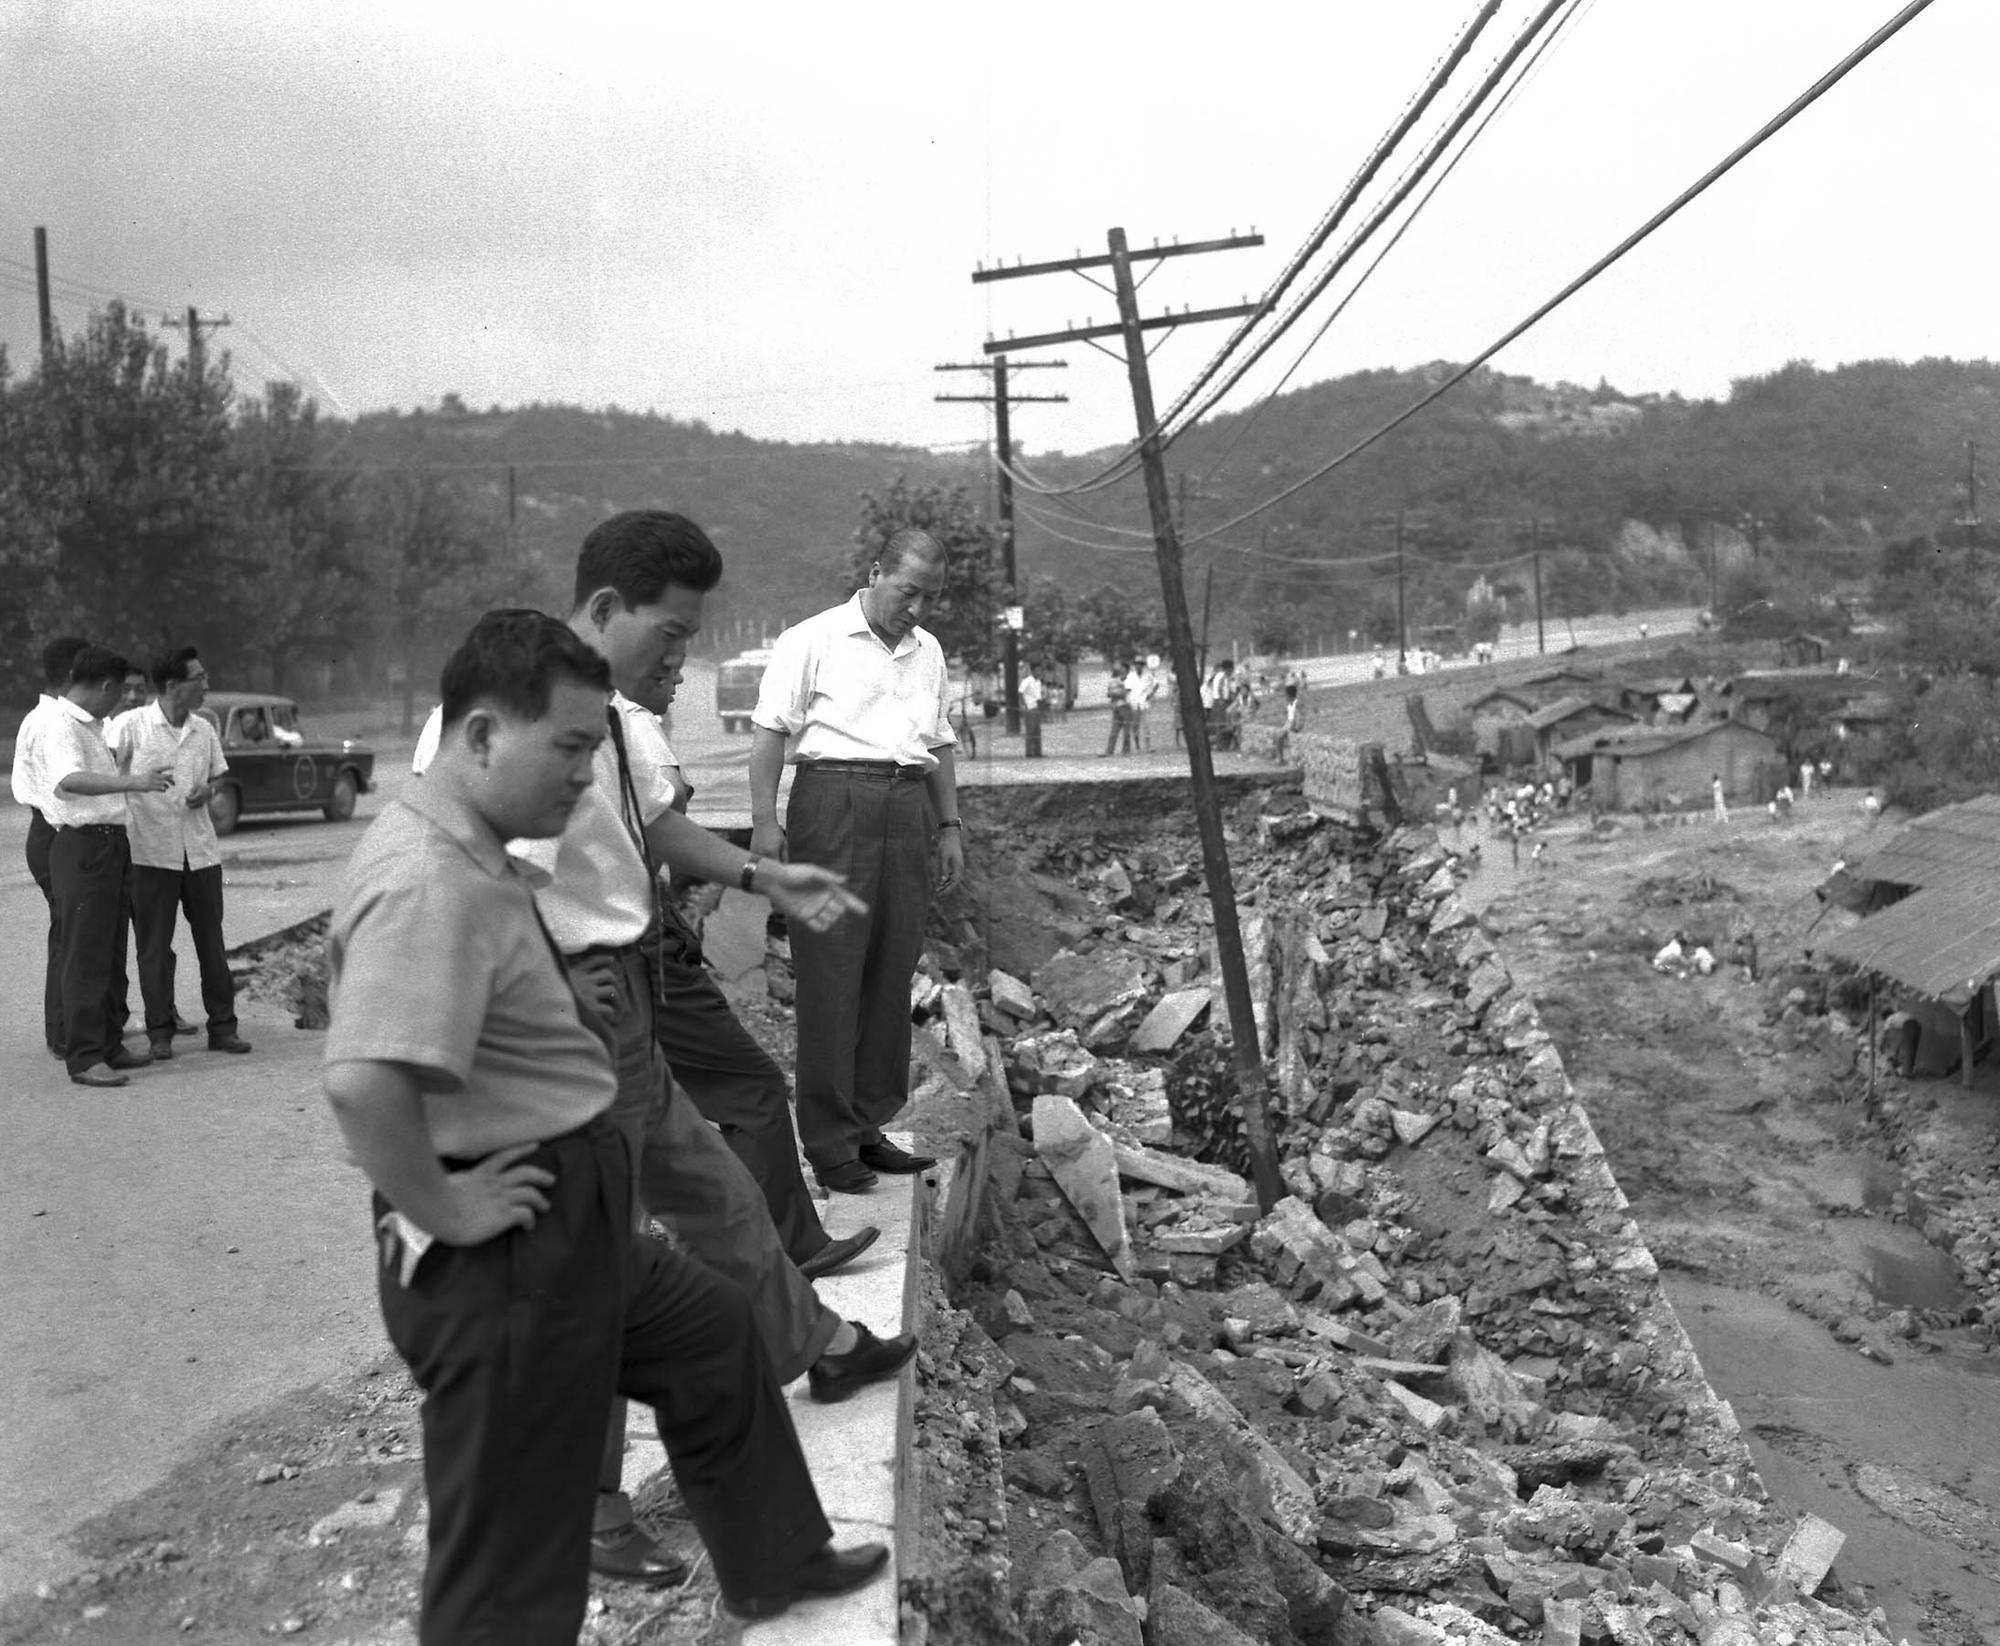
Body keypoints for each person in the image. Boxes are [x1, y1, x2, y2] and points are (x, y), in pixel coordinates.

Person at [324, 610, 887, 1642]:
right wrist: (444, 1208)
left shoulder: (477, 847)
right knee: (509, 1564)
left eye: (595, 749)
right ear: (484, 734)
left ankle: (774, 1559)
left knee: (713, 1333)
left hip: (570, 1216)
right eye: (572, 749)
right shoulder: (424, 880)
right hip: (503, 1251)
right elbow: (364, 1081)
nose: (587, 778)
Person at [621, 649, 879, 1280]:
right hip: (636, 932)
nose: (682, 678)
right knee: (749, 1086)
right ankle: (787, 1246)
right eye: (671, 659)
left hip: (587, 942)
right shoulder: (625, 726)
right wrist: (762, 876)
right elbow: (657, 830)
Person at [749, 526, 961, 1194]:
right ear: (876, 573)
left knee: (889, 969)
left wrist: (949, 824)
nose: (917, 609)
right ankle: (827, 1138)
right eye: (908, 592)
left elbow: (942, 743)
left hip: (907, 807)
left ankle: (869, 1125)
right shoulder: (810, 640)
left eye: (929, 598)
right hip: (833, 802)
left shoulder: (928, 652)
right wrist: (764, 822)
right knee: (831, 973)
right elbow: (770, 735)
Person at [43, 646, 176, 1087]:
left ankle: (108, 1042)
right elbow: (67, 780)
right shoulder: (60, 725)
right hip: (83, 845)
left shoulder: (93, 725)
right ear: (104, 686)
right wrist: (133, 781)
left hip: (110, 843)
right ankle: (84, 1057)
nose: (120, 702)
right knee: (85, 954)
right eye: (118, 693)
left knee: (112, 950)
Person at [110, 646, 249, 1060]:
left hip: (201, 853)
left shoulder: (204, 729)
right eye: (199, 679)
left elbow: (219, 778)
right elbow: (107, 779)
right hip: (150, 854)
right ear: (172, 686)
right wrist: (135, 780)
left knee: (212, 942)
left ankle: (223, 1028)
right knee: (153, 947)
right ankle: (159, 1033)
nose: (206, 685)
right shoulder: (128, 727)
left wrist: (208, 790)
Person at [12, 634, 88, 1060]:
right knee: (67, 934)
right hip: (52, 832)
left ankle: (71, 1026)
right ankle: (62, 1032)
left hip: (54, 832)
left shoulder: (56, 717)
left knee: (69, 931)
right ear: (76, 671)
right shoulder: (50, 721)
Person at [1103, 663, 1134, 756]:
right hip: (1116, 708)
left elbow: (1124, 694)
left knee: (1126, 732)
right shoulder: (1115, 681)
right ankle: (1109, 750)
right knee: (1113, 731)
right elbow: (1108, 693)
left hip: (1126, 708)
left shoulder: (1130, 681)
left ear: (1127, 671)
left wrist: (1114, 694)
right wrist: (1116, 694)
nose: (1122, 671)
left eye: (1124, 670)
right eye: (1121, 669)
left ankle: (1126, 750)